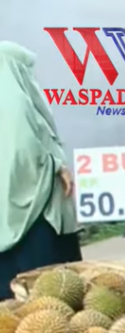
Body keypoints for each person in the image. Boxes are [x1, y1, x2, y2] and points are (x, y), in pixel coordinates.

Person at [0, 41, 82, 300]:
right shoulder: (14, 97)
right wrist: (55, 164)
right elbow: (23, 148)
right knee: (52, 300)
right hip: (38, 225)